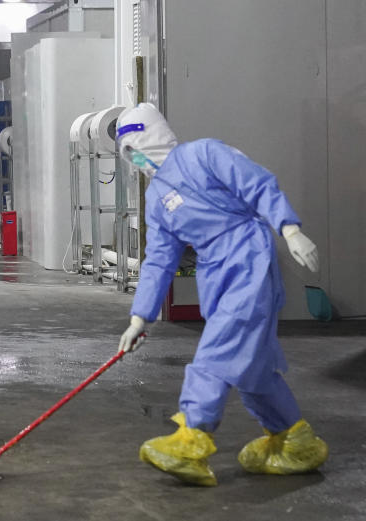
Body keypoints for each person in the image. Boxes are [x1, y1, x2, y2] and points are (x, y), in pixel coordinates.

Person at [115, 102, 328, 487]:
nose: (136, 160)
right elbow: (159, 260)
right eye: (128, 154)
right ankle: (296, 442)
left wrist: (289, 228)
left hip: (249, 260)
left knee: (216, 352)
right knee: (253, 369)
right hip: (215, 272)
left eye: (136, 147)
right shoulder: (156, 199)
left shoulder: (204, 153)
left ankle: (191, 439)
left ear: (153, 136)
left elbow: (257, 183)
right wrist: (139, 317)